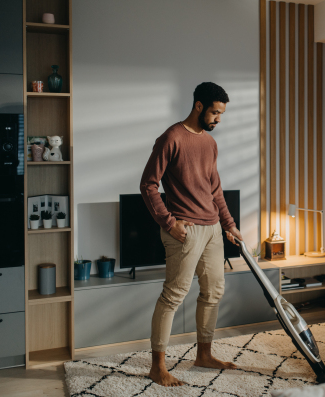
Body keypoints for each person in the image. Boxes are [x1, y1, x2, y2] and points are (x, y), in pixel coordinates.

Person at [139, 82, 243, 387]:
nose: (218, 119)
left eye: (221, 113)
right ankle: (158, 367)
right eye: (214, 112)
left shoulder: (210, 143)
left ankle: (204, 355)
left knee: (213, 292)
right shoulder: (171, 137)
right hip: (185, 231)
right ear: (198, 106)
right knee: (173, 296)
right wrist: (169, 223)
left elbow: (215, 189)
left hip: (212, 230)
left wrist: (228, 224)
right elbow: (148, 184)